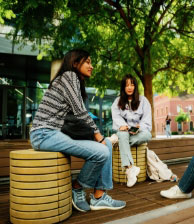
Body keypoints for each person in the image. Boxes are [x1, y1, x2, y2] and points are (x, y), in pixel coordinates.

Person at [30, 49, 126, 213]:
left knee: (107, 144)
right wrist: (97, 135)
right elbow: (80, 112)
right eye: (87, 62)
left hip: (55, 133)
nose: (92, 66)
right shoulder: (69, 76)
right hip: (44, 133)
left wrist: (101, 139)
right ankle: (77, 187)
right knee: (102, 150)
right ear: (75, 63)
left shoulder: (72, 80)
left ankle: (99, 197)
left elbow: (77, 114)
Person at [111, 74, 152, 187]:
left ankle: (118, 140)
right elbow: (116, 117)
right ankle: (130, 168)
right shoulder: (117, 101)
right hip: (123, 131)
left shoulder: (143, 101)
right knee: (123, 134)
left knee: (147, 135)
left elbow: (147, 120)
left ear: (135, 86)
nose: (129, 87)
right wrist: (123, 126)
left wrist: (139, 127)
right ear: (123, 87)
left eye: (132, 84)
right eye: (127, 85)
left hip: (138, 133)